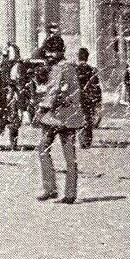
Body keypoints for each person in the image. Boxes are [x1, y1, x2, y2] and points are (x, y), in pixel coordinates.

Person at [33, 35, 84, 203]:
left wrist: (42, 108)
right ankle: (70, 193)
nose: (49, 55)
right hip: (70, 117)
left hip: (54, 117)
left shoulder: (57, 69)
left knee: (43, 149)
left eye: (51, 51)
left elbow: (52, 92)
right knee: (70, 156)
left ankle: (50, 188)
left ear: (59, 52)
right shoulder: (71, 67)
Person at [75, 47, 103, 148]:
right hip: (89, 97)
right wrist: (98, 99)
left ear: (78, 57)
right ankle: (86, 140)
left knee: (79, 118)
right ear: (87, 57)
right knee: (88, 118)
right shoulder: (92, 70)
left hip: (78, 97)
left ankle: (81, 139)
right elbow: (96, 85)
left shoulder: (75, 70)